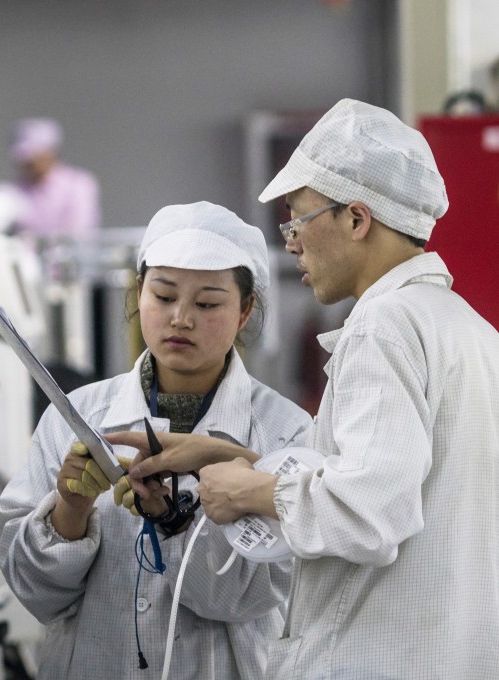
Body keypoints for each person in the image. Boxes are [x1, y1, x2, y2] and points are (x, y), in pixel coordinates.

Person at [117, 99, 499, 678]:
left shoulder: (384, 326)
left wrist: (248, 494)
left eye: (297, 219)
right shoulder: (466, 326)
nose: (291, 242)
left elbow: (371, 511)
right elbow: (383, 477)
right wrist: (229, 457)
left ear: (356, 218)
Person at [0, 201, 312, 679]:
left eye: (206, 303)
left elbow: (246, 597)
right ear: (139, 292)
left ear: (245, 309)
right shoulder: (76, 417)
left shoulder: (284, 435)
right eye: (163, 296)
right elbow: (36, 594)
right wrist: (71, 510)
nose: (181, 318)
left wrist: (173, 520)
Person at [4, 118, 100, 247]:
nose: (26, 163)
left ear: (51, 152)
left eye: (33, 157)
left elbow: (80, 235)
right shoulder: (15, 190)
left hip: (68, 265)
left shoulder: (78, 185)